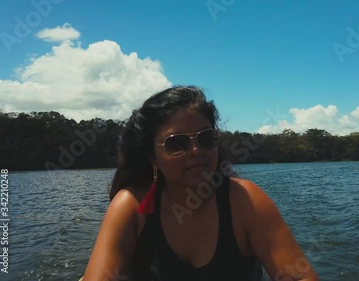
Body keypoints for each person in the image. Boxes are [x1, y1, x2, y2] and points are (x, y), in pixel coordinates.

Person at [82, 86, 319, 281]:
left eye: (206, 138)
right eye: (176, 144)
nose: (196, 151)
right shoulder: (132, 206)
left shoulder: (245, 200)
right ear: (152, 157)